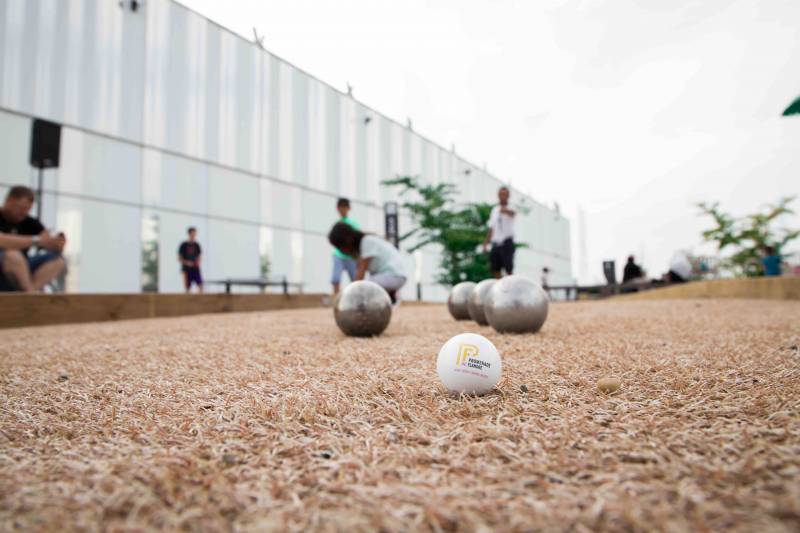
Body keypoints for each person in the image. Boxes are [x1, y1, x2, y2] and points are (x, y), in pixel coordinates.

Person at [0, 185, 66, 292]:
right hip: (4, 268)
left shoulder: (29, 222)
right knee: (13, 256)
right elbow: (2, 240)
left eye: (27, 209)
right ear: (9, 200)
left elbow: (47, 240)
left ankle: (30, 292)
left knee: (58, 261)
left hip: (24, 269)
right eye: (20, 208)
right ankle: (30, 295)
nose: (23, 212)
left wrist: (56, 243)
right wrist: (37, 240)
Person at [327, 222, 406, 303]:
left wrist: (351, 295)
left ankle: (392, 296)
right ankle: (390, 296)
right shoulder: (362, 247)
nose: (340, 250)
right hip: (390, 276)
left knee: (366, 286)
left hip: (395, 275)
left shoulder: (366, 241)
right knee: (367, 285)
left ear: (347, 240)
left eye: (340, 246)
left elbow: (361, 272)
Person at [483, 186, 516, 278]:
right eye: (501, 194)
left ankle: (510, 287)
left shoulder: (511, 207)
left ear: (508, 196)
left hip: (507, 242)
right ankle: (500, 286)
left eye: (505, 194)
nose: (502, 196)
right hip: (496, 243)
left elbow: (513, 214)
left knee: (508, 269)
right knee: (494, 268)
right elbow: (491, 227)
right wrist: (486, 242)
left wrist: (505, 210)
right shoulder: (495, 210)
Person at [331, 198, 359, 295]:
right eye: (340, 208)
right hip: (338, 255)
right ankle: (336, 300)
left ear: (348, 209)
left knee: (355, 280)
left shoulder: (353, 224)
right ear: (337, 209)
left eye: (344, 208)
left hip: (351, 257)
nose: (342, 210)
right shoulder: (337, 224)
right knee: (335, 278)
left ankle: (356, 299)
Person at [178, 227, 203, 293]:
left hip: (195, 268)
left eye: (195, 233)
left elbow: (199, 256)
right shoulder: (183, 245)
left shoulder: (196, 245)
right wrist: (187, 263)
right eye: (192, 233)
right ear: (189, 234)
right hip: (186, 269)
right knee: (187, 287)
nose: (194, 235)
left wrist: (198, 263)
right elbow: (180, 258)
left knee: (200, 285)